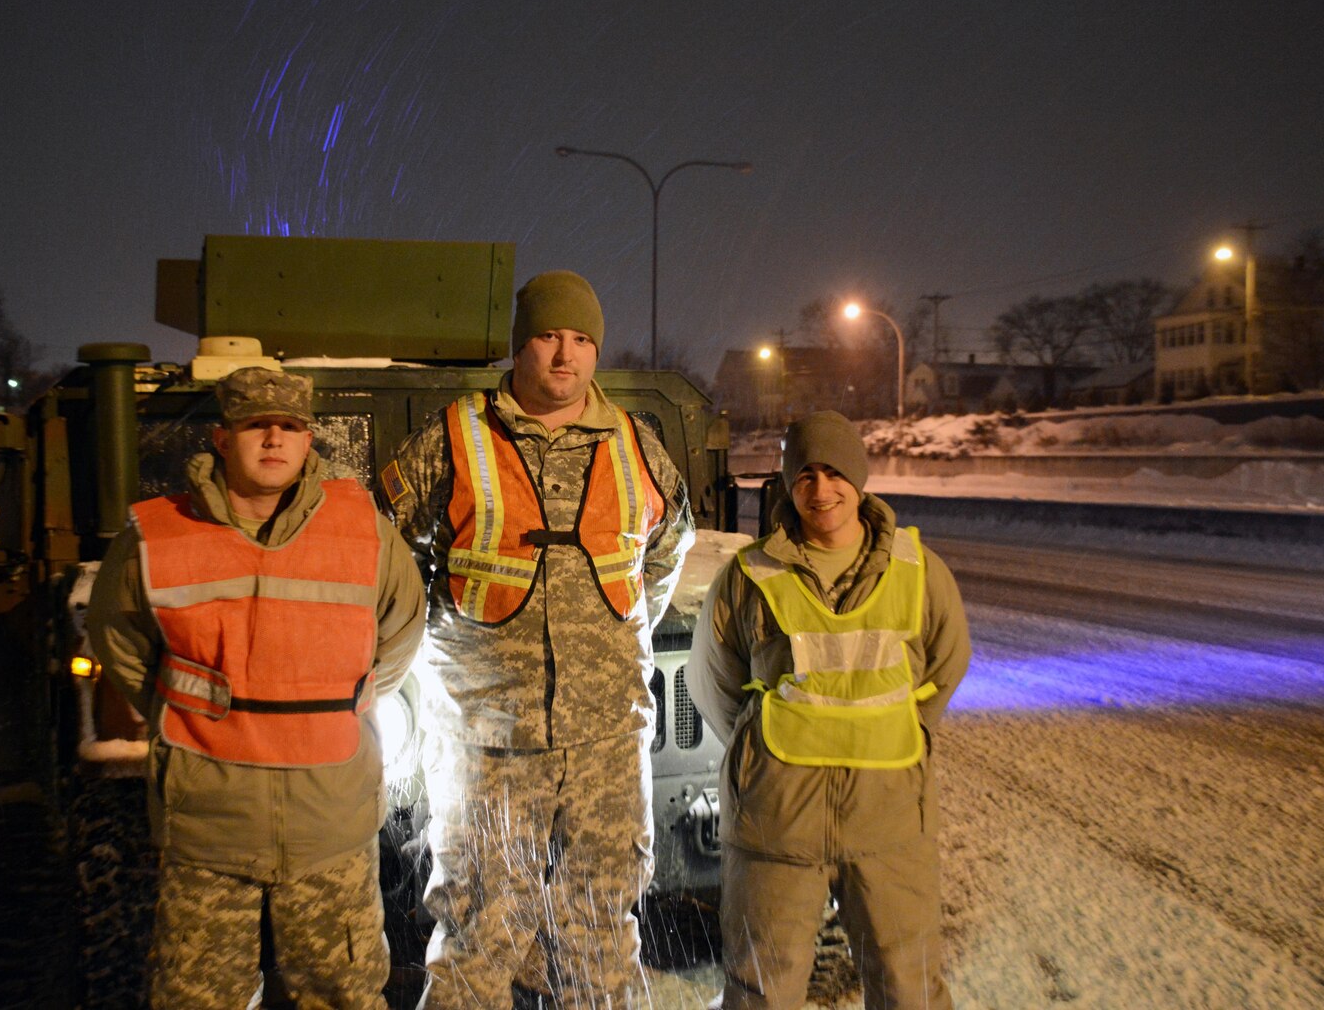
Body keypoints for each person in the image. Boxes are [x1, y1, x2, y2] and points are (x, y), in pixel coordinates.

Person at [379, 270, 694, 1008]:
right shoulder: (456, 437)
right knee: (480, 934)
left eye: (581, 340)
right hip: (489, 735)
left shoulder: (635, 445)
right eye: (549, 337)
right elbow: (384, 551)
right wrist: (442, 634)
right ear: (520, 346)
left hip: (606, 735)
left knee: (601, 929)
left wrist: (620, 627)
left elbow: (669, 544)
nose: (565, 356)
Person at [86, 366, 426, 1009]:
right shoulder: (156, 538)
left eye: (289, 426)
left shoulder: (365, 531)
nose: (274, 439)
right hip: (209, 828)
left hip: (330, 825)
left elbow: (401, 630)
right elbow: (121, 642)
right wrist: (185, 711)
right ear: (221, 438)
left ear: (308, 441)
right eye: (255, 426)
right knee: (198, 999)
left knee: (344, 997)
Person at [687, 410, 971, 1010]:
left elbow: (945, 666)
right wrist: (762, 756)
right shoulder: (746, 576)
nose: (821, 490)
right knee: (760, 993)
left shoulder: (920, 572)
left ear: (860, 478)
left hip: (890, 822)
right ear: (788, 486)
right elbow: (716, 686)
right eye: (805, 475)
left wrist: (905, 730)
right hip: (776, 822)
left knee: (909, 991)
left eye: (835, 472)